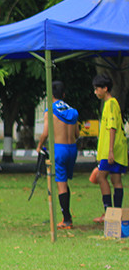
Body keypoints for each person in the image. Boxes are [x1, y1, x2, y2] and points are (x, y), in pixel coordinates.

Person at [35, 81, 79, 228]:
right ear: (64, 95)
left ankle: (66, 219)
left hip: (59, 149)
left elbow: (46, 133)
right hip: (72, 148)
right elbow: (77, 134)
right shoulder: (73, 111)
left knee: (61, 184)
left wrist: (39, 145)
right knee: (64, 181)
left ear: (51, 95)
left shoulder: (50, 111)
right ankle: (67, 216)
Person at [91, 73, 127, 223]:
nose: (95, 92)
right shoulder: (111, 103)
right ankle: (116, 214)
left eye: (97, 89)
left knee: (100, 177)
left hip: (112, 149)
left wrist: (110, 150)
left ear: (105, 89)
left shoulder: (111, 104)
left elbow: (112, 128)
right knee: (116, 179)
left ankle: (108, 212)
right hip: (118, 148)